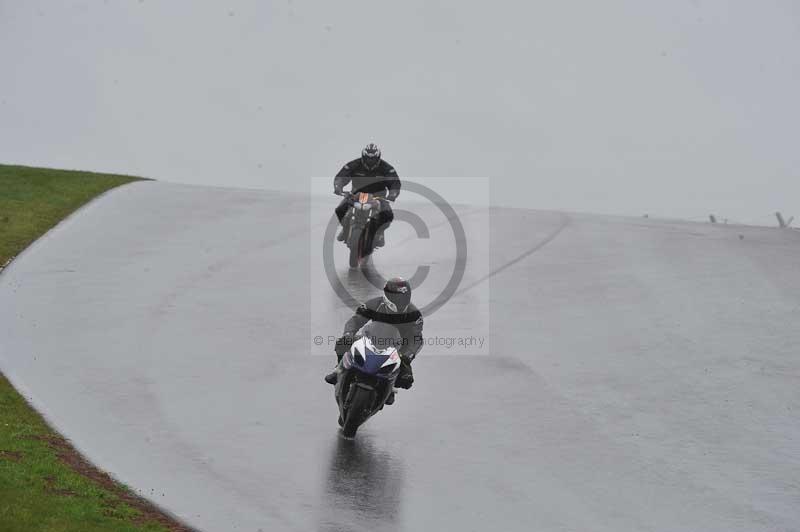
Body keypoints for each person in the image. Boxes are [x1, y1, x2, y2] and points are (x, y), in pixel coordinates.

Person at [325, 278, 423, 400]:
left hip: (398, 349)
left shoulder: (415, 314)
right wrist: (348, 334)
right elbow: (355, 320)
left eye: (403, 297)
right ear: (388, 295)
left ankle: (389, 388)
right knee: (343, 342)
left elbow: (417, 338)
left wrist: (408, 355)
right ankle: (338, 370)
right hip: (370, 339)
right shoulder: (373, 304)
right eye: (397, 297)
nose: (401, 301)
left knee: (406, 380)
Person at [334, 143, 400, 248]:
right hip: (355, 195)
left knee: (388, 215)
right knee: (339, 210)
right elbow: (341, 176)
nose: (370, 161)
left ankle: (379, 233)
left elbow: (394, 183)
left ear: (378, 157)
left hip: (378, 197)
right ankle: (346, 229)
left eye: (373, 159)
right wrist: (338, 187)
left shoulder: (387, 168)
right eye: (367, 159)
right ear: (363, 156)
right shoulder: (354, 164)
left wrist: (393, 193)